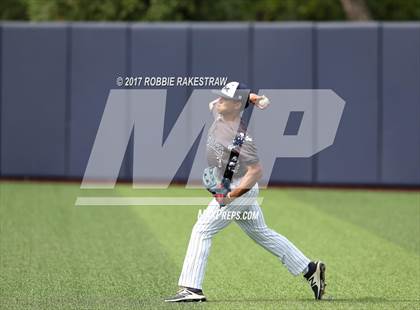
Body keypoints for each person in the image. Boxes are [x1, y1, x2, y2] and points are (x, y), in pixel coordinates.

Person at [164, 82, 326, 302]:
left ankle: (191, 289)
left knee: (202, 230)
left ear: (235, 105)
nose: (219, 100)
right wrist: (253, 97)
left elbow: (256, 171)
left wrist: (230, 196)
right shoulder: (221, 111)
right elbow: (217, 102)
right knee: (261, 233)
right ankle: (310, 269)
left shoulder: (240, 137)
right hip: (233, 184)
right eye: (220, 96)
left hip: (239, 187)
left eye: (225, 98)